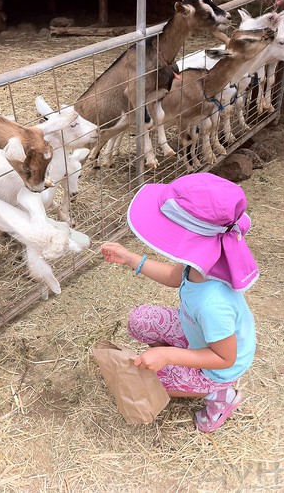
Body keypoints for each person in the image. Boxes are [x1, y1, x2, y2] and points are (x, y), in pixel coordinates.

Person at [100, 173, 259, 433]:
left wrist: (166, 355)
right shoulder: (205, 258)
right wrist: (130, 259)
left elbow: (225, 358)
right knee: (141, 319)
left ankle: (221, 397)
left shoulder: (212, 304)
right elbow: (175, 277)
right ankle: (181, 362)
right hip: (199, 335)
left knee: (147, 380)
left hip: (218, 368)